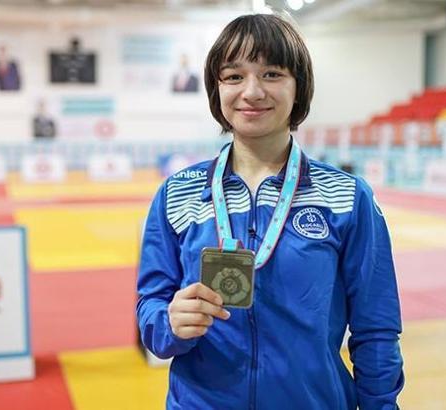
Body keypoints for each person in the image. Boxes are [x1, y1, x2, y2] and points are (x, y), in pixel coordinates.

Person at [136, 14, 404, 409]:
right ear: (216, 89)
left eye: (272, 74)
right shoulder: (178, 194)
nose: (252, 91)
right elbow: (151, 309)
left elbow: (376, 328)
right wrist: (170, 324)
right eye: (234, 76)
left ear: (299, 87)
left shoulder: (346, 198)